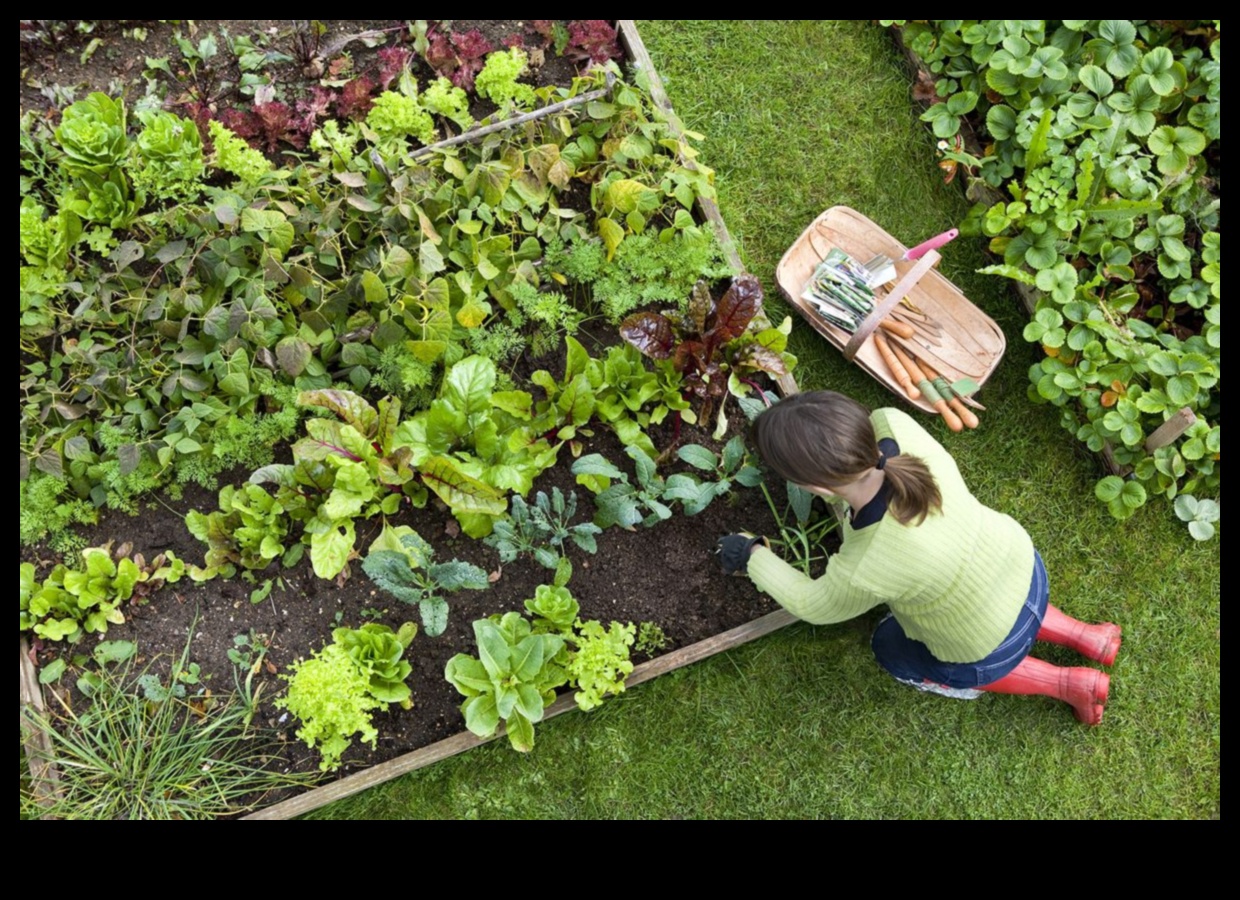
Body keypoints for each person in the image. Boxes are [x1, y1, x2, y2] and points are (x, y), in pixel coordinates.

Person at [716, 391, 1121, 725]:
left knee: (889, 647)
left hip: (984, 644)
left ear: (816, 487)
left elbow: (813, 604)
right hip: (1021, 566)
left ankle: (1068, 684)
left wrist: (751, 555)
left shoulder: (868, 563)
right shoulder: (894, 424)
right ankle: (1089, 637)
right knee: (995, 599)